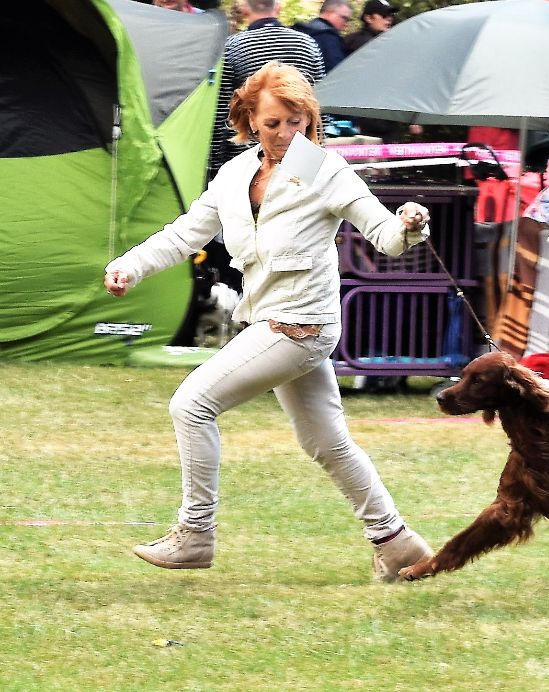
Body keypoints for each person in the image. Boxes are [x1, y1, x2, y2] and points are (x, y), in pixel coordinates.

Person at [103, 62, 434, 579]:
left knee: (191, 405)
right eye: (273, 123)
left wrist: (410, 224)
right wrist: (130, 265)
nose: (285, 134)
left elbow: (386, 237)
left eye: (295, 122)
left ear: (309, 119)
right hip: (267, 321)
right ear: (250, 120)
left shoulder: (324, 169)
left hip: (301, 326)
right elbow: (185, 234)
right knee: (326, 443)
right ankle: (397, 544)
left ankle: (195, 534)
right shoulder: (235, 174)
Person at [207, 0, 327, 293]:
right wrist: (318, 154)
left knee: (251, 242)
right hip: (303, 155)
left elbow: (222, 115)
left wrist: (213, 169)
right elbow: (323, 107)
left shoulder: (234, 48)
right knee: (296, 234)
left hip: (251, 161)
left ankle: (250, 300)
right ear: (278, 6)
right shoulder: (308, 45)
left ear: (245, 8)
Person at [342, 0, 422, 142]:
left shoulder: (354, 41)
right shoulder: (362, 44)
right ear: (368, 18)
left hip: (379, 118)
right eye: (384, 16)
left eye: (390, 16)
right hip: (367, 120)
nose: (389, 19)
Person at [293, 0, 352, 73]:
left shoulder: (296, 32)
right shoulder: (329, 38)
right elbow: (336, 72)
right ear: (328, 13)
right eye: (344, 18)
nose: (346, 24)